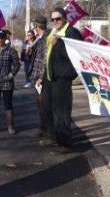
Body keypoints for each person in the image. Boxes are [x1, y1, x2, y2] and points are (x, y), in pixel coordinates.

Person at [38, 7, 83, 150]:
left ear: (64, 18)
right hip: (49, 77)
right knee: (47, 108)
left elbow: (76, 55)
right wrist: (42, 76)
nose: (55, 21)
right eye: (53, 20)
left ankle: (65, 143)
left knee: (61, 111)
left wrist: (59, 43)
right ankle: (52, 137)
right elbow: (48, 56)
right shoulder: (53, 32)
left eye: (58, 18)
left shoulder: (72, 33)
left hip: (62, 77)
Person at [0, 30, 21, 135]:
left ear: (5, 38)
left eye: (2, 37)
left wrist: (11, 75)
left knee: (8, 105)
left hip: (7, 82)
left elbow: (17, 64)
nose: (0, 40)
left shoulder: (11, 51)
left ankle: (10, 126)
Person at [27, 15, 50, 138]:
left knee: (44, 105)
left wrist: (41, 77)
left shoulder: (46, 38)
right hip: (38, 77)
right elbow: (36, 57)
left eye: (34, 26)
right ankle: (43, 128)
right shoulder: (39, 39)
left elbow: (46, 59)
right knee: (40, 104)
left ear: (37, 26)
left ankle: (47, 130)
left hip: (42, 79)